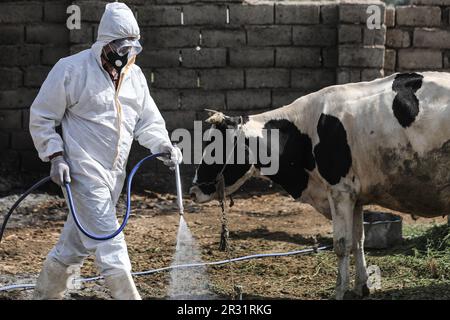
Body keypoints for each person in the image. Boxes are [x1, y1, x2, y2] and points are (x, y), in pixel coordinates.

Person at [29, 2, 181, 300]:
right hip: (82, 174)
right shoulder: (71, 70)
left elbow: (148, 121)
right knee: (110, 242)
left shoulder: (135, 78)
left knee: (75, 245)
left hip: (115, 176)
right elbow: (43, 116)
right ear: (105, 43)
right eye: (120, 48)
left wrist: (162, 145)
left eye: (131, 49)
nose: (125, 56)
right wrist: (55, 155)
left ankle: (44, 295)